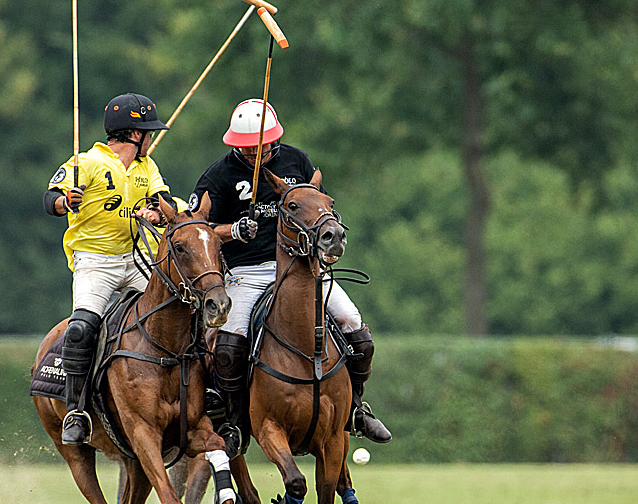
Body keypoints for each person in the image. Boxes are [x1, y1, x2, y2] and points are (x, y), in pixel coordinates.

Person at [189, 99, 392, 444]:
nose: (253, 153)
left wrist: (325, 242)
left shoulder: (296, 161)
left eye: (260, 146)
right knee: (229, 344)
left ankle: (357, 408)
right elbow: (197, 229)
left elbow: (322, 208)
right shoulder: (218, 175)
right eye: (245, 148)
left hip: (302, 267)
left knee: (354, 326)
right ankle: (235, 419)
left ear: (275, 140)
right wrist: (233, 230)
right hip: (247, 271)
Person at [43, 93, 177, 446]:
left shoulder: (147, 167)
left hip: (137, 257)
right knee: (81, 329)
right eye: (148, 132)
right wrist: (66, 201)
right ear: (133, 134)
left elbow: (163, 200)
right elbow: (50, 199)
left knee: (179, 310)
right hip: (95, 260)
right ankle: (76, 410)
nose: (151, 138)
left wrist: (156, 212)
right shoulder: (86, 162)